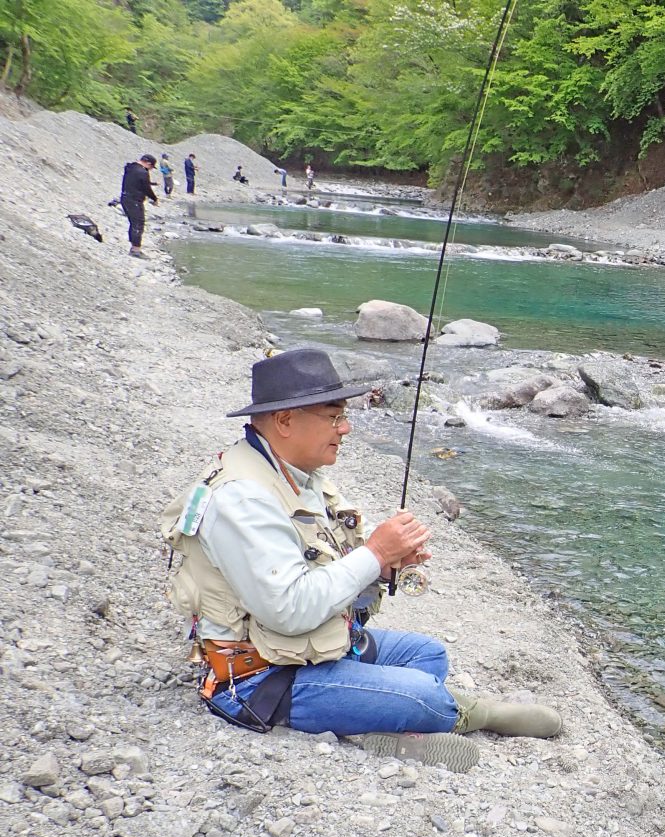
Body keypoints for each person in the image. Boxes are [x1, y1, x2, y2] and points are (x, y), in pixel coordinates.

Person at [160, 348, 562, 770]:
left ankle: (373, 721)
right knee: (424, 696)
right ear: (284, 421)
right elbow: (289, 611)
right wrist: (375, 553)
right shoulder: (243, 499)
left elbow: (331, 577)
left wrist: (384, 567)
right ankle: (467, 713)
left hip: (310, 649)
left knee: (429, 656)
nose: (346, 428)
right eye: (334, 417)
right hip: (259, 679)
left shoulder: (296, 474)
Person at [119, 153, 158, 259]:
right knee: (138, 223)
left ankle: (133, 245)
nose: (150, 170)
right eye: (151, 167)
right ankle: (135, 250)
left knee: (133, 223)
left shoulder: (130, 168)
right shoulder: (142, 172)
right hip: (134, 200)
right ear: (148, 163)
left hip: (125, 198)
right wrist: (154, 198)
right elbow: (146, 188)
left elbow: (135, 181)